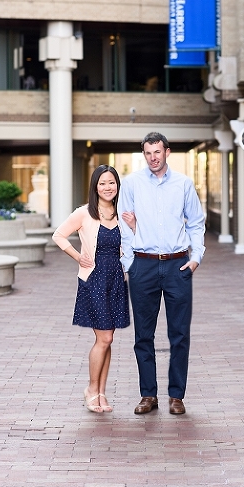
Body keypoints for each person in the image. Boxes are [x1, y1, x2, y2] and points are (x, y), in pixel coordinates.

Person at [118, 132, 205, 415]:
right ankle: (148, 394)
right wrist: (130, 262)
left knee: (179, 334)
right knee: (143, 334)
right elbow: (123, 223)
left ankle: (177, 396)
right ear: (143, 154)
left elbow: (196, 223)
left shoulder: (183, 184)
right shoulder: (131, 184)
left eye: (157, 152)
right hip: (143, 264)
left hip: (177, 265)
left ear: (167, 152)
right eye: (148, 153)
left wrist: (196, 258)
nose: (153, 158)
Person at [52, 165, 130, 413]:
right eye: (102, 183)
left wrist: (135, 225)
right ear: (95, 187)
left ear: (117, 186)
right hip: (94, 278)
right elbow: (59, 235)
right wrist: (77, 256)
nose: (108, 187)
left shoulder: (123, 213)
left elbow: (134, 243)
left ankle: (101, 393)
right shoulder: (84, 213)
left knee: (109, 339)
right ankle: (91, 389)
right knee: (104, 337)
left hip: (117, 279)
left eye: (112, 183)